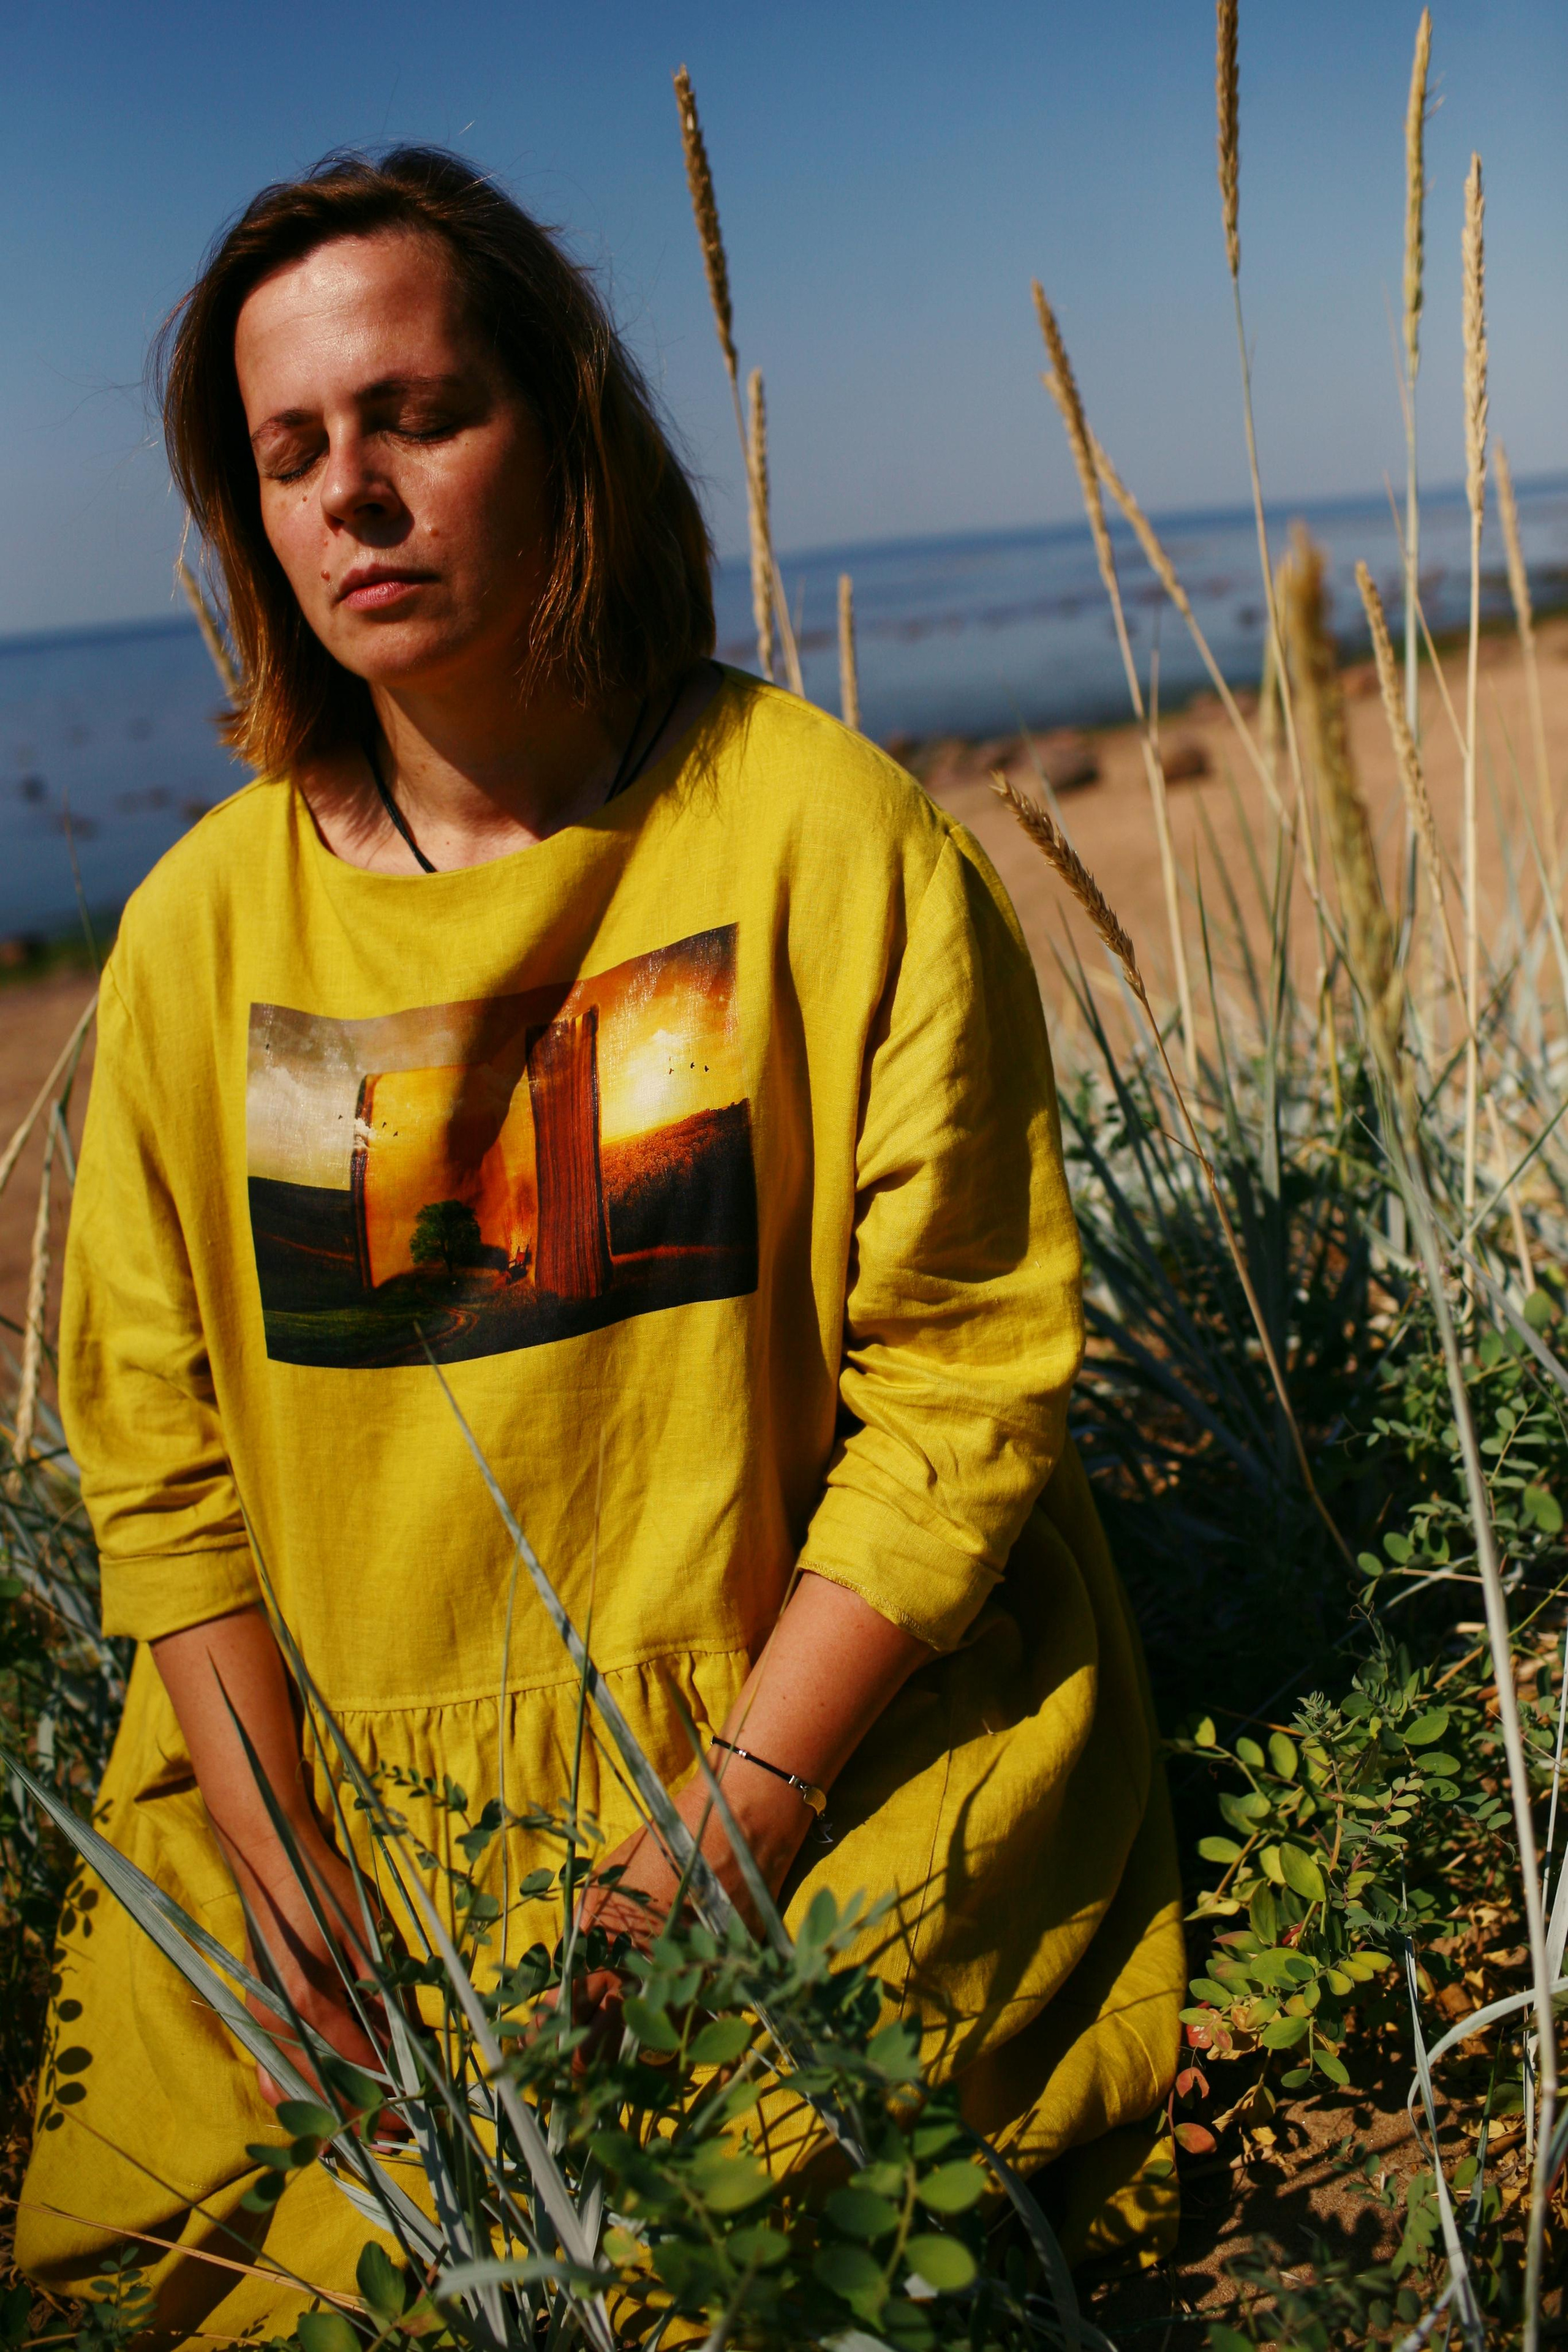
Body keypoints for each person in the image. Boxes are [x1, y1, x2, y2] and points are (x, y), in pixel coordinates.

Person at [18, 148, 1183, 2341]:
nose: (351, 490)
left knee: (721, 2266)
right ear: (252, 525)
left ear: (561, 424)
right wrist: (289, 1891)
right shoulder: (191, 940)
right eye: (289, 454)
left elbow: (967, 1387)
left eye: (417, 416)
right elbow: (154, 1467)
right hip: (320, 1803)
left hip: (807, 1747)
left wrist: (721, 1845)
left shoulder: (829, 839)